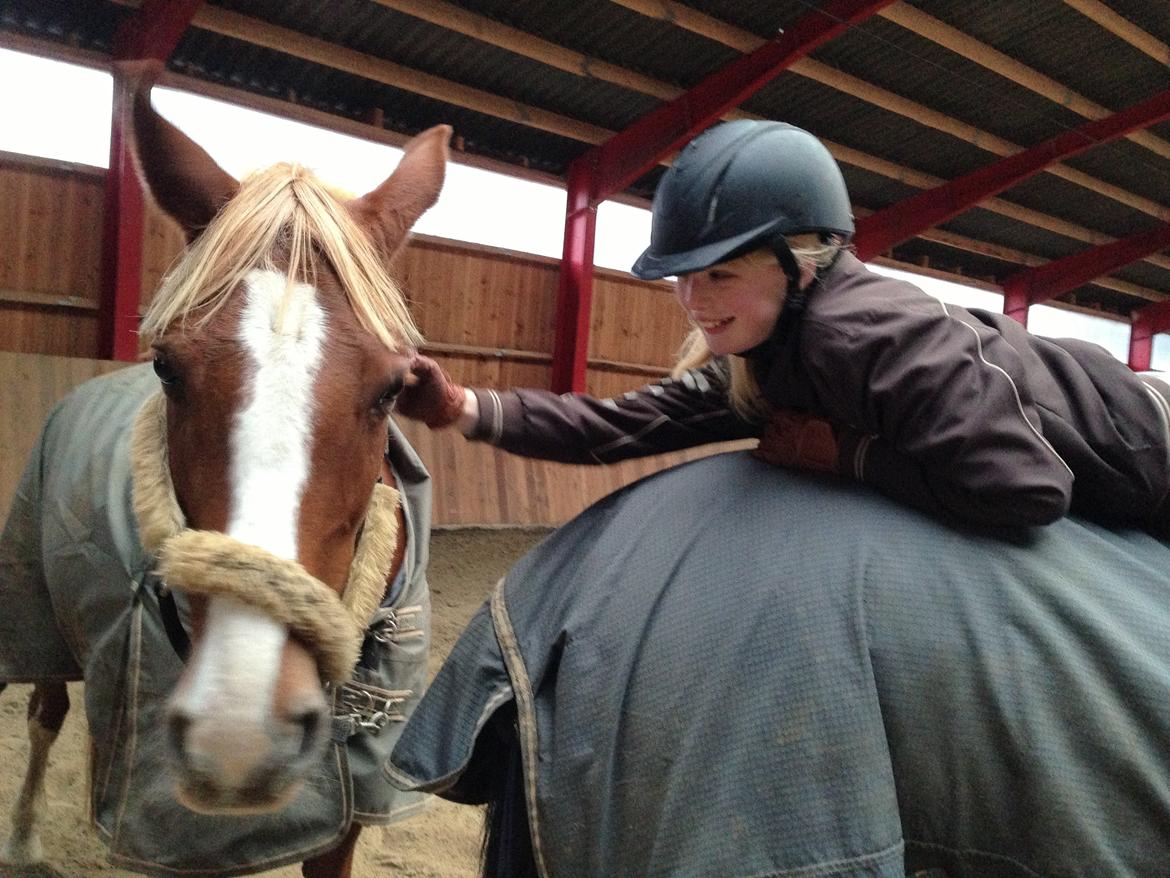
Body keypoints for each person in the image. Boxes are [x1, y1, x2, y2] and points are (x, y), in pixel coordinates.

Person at [395, 119, 1170, 532]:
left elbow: (1028, 490)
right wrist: (460, 407)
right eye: (683, 278)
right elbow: (618, 428)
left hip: (1152, 453)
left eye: (720, 274)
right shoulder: (768, 349)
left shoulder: (864, 339)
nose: (693, 300)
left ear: (802, 263)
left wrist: (847, 455)